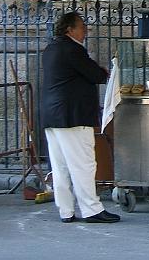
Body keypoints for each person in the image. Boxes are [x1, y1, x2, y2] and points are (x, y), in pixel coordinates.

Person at [41, 12, 120, 223]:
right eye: (82, 27)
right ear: (69, 29)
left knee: (60, 167)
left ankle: (66, 210)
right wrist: (102, 71)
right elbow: (96, 75)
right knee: (83, 164)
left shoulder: (51, 48)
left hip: (52, 115)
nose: (85, 31)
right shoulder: (72, 49)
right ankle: (92, 209)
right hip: (72, 116)